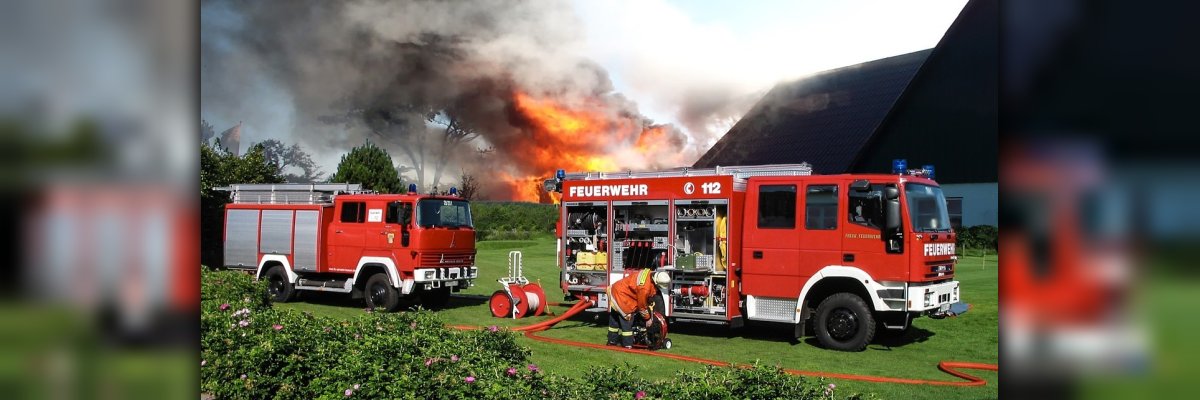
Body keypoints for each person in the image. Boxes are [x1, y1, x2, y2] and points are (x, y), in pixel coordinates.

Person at [607, 269, 671, 348]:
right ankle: (627, 346)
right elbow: (642, 306)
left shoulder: (649, 273)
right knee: (627, 321)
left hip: (615, 290)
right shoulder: (644, 288)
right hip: (621, 297)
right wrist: (648, 319)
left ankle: (611, 342)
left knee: (614, 321)